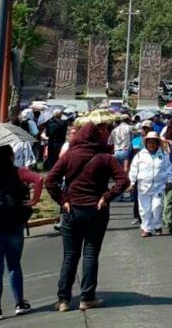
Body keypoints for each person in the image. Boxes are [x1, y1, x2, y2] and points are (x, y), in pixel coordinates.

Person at [45, 122, 129, 312]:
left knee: (70, 256)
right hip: (96, 210)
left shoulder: (69, 156)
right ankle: (87, 297)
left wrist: (63, 199)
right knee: (91, 254)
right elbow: (124, 181)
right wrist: (107, 197)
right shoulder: (106, 157)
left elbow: (50, 180)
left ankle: (64, 300)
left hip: (71, 210)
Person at [0, 145, 43, 321]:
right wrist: (34, 200)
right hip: (14, 226)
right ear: (10, 157)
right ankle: (19, 303)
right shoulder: (19, 172)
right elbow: (39, 179)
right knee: (14, 265)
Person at [128, 131, 172, 237]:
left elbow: (168, 168)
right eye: (150, 142)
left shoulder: (163, 154)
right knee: (144, 209)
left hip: (158, 186)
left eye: (154, 142)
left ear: (157, 143)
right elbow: (134, 170)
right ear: (146, 143)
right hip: (143, 186)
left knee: (157, 206)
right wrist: (132, 183)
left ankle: (157, 226)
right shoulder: (139, 155)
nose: (152, 145)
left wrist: (170, 180)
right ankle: (146, 229)